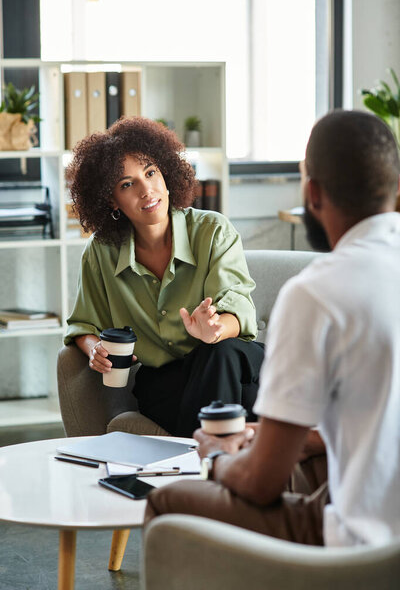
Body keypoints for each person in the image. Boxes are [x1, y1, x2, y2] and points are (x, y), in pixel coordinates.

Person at [145, 110, 400, 547]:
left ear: (312, 192)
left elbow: (262, 483)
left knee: (168, 502)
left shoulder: (317, 294)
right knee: (307, 462)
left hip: (366, 543)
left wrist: (218, 458)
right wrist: (300, 438)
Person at [64, 116, 265, 437]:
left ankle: (196, 468)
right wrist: (93, 350)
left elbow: (238, 308)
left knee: (219, 354)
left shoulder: (213, 231)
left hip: (233, 360)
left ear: (167, 173)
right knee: (221, 397)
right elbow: (83, 324)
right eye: (127, 184)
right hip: (166, 380)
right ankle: (219, 465)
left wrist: (213, 330)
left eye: (151, 172)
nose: (147, 190)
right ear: (111, 199)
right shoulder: (101, 251)